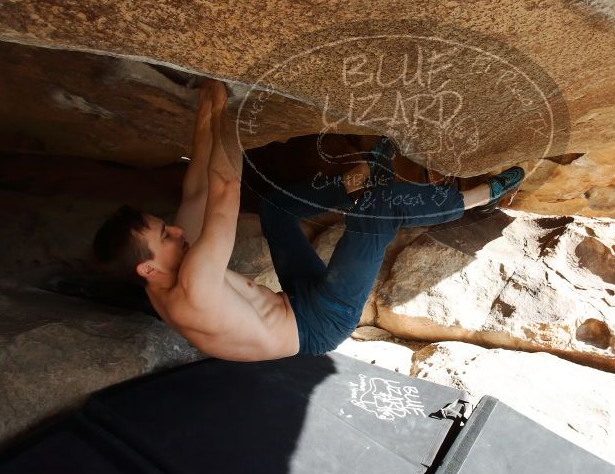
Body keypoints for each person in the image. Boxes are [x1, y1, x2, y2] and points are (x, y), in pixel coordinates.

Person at [92, 80, 525, 361]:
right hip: (322, 323)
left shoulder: (164, 278)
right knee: (382, 207)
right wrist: (231, 108)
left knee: (276, 209)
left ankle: (361, 181)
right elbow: (223, 187)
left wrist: (206, 107)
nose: (177, 230)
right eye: (165, 235)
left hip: (294, 300)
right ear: (147, 267)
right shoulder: (194, 284)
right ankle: (475, 198)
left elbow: (196, 190)